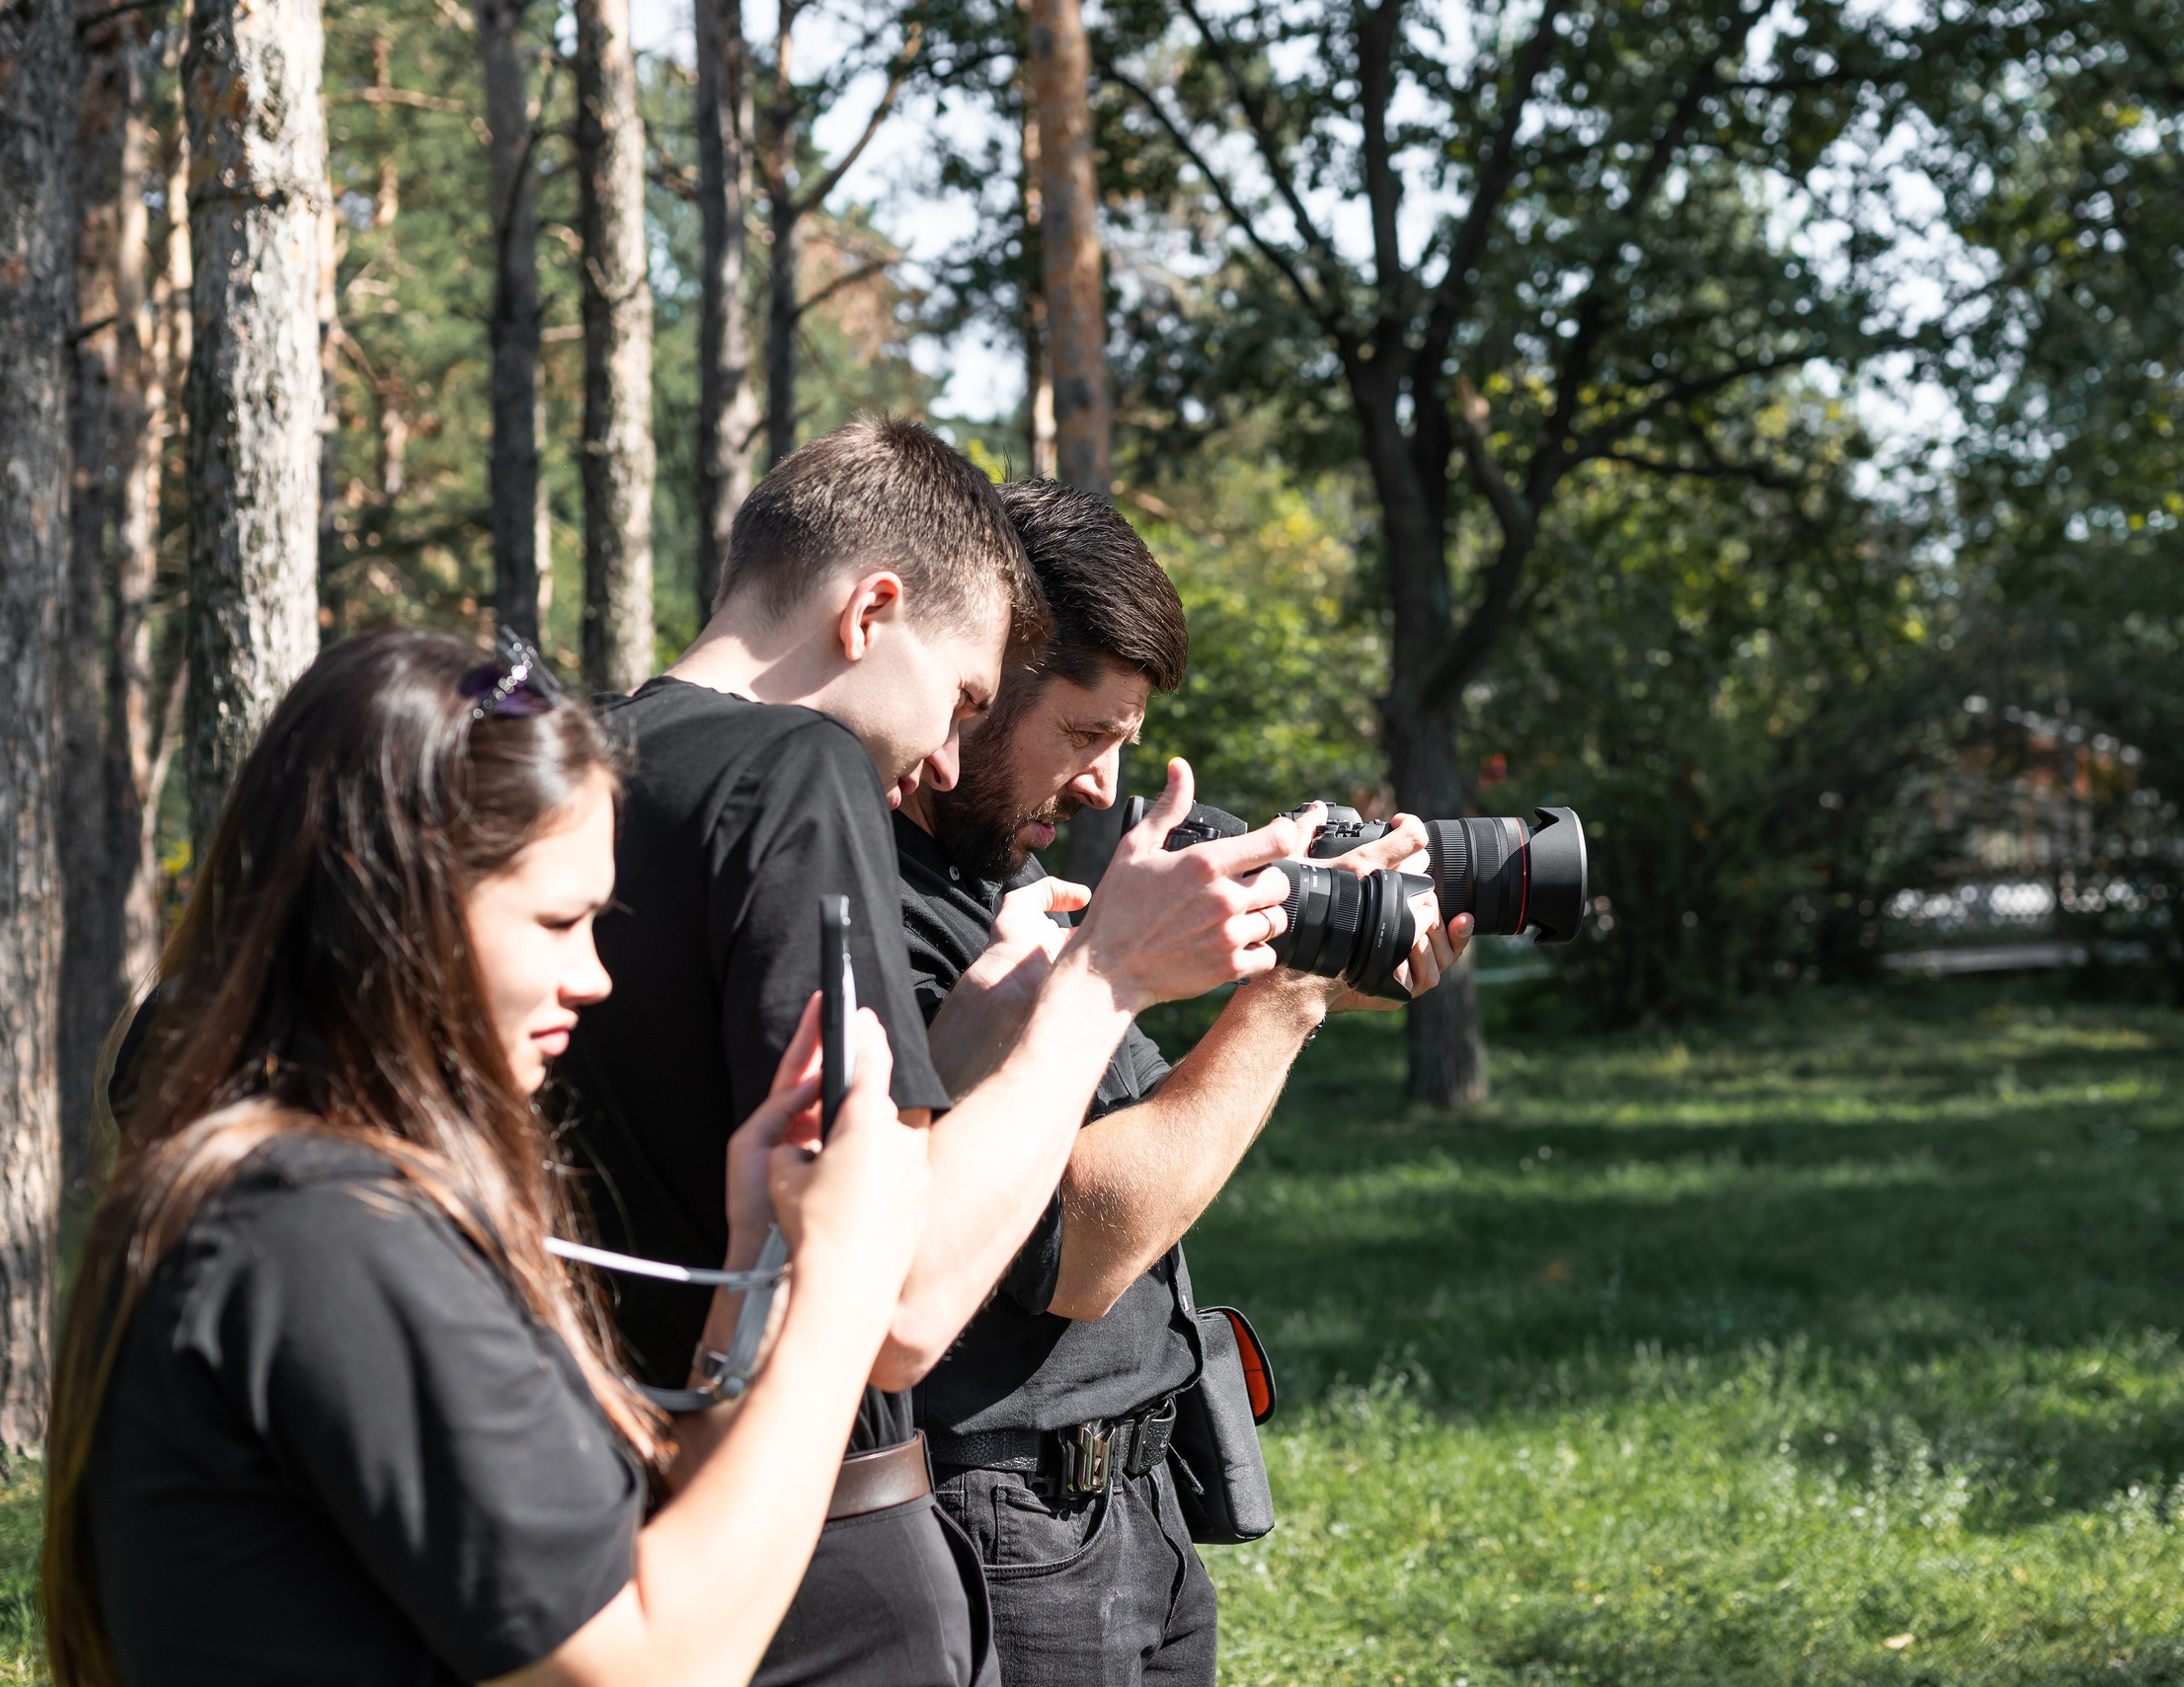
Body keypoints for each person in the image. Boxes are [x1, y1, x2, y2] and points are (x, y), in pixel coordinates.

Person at [558, 419, 1305, 1687]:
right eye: (963, 696)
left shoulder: (564, 762)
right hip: (825, 1548)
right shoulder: (794, 768)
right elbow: (894, 1306)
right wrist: (1103, 979)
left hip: (609, 1518)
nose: (944, 758)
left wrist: (963, 1033)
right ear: (873, 609)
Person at [40, 630, 931, 1687]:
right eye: (558, 920)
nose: (592, 975)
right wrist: (848, 1277)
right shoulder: (317, 1231)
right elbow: (648, 1664)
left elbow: (620, 1546)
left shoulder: (323, 1199)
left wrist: (762, 1256)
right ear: (393, 899)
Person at [897, 479, 1475, 1687]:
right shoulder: (898, 905)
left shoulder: (999, 882)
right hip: (1010, 1520)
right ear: (974, 681)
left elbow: (1144, 1118)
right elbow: (1090, 1244)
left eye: (1123, 743)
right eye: (1085, 734)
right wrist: (1289, 991)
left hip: (1134, 1501)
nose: (1104, 786)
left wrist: (1307, 970)